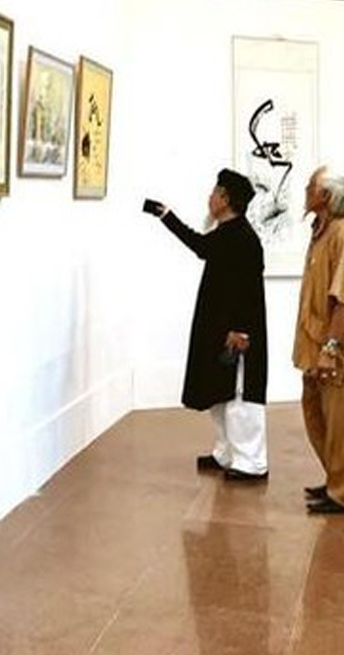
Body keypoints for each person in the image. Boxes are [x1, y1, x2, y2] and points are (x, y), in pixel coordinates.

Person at [145, 169, 269, 481]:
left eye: (214, 192)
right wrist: (166, 216)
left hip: (238, 334)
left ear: (226, 199)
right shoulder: (228, 233)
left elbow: (249, 292)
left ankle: (251, 461)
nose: (209, 197)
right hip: (220, 329)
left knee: (240, 397)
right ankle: (227, 452)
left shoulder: (244, 239)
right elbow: (201, 245)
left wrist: (242, 331)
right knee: (220, 393)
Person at [294, 166, 344, 514]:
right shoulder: (323, 231)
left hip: (340, 349)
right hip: (319, 344)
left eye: (311, 186)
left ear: (325, 196)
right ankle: (335, 481)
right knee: (318, 414)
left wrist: (330, 348)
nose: (306, 189)